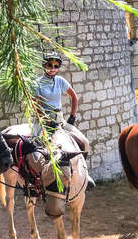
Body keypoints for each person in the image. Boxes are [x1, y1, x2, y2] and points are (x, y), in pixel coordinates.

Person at [34, 52, 94, 189]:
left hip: (60, 122)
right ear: (44, 65)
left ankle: (85, 174)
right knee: (34, 150)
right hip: (43, 123)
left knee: (84, 142)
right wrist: (46, 120)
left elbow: (74, 97)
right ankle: (34, 180)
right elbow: (36, 105)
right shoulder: (37, 83)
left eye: (56, 65)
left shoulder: (60, 81)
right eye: (50, 65)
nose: (53, 68)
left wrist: (72, 116)